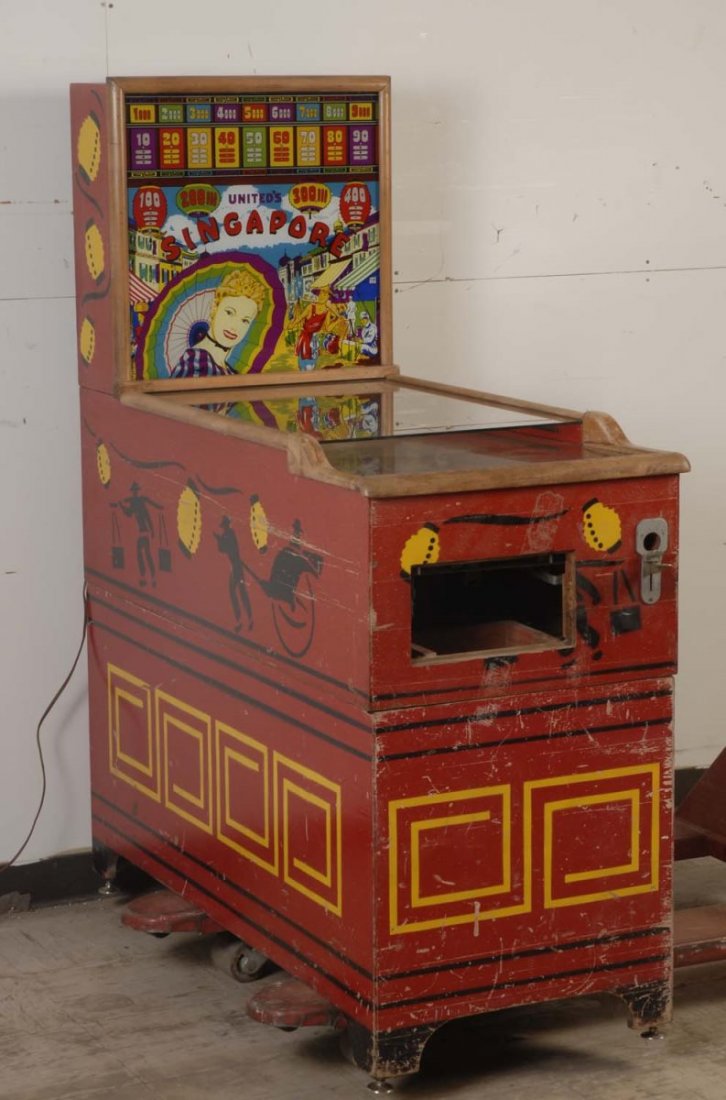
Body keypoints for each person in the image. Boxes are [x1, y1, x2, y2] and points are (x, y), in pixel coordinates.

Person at [171, 268, 267, 379]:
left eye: (245, 320)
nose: (235, 326)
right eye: (229, 312)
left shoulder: (230, 372)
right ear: (214, 308)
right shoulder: (196, 361)